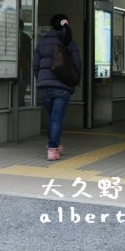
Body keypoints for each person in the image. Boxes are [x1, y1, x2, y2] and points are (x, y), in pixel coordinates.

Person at [33, 13, 82, 161]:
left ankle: (55, 144)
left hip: (45, 86)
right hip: (63, 86)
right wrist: (75, 80)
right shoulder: (69, 43)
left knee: (52, 117)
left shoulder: (42, 42)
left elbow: (35, 65)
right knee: (56, 118)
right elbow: (77, 64)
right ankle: (53, 148)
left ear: (51, 26)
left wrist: (40, 78)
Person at [17, 19, 33, 106]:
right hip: (24, 70)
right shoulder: (26, 38)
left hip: (22, 70)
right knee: (20, 93)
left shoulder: (22, 38)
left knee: (18, 93)